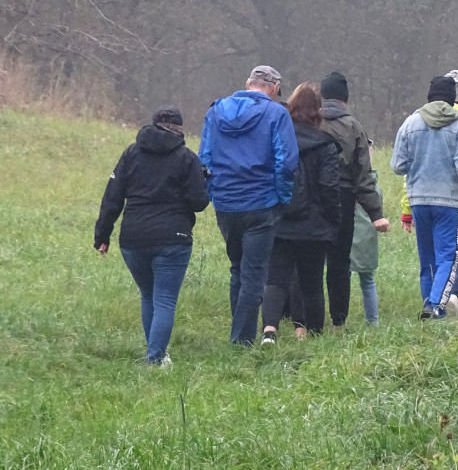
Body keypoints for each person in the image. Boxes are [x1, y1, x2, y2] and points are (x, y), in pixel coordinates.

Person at [94, 106, 210, 365]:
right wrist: (203, 180)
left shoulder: (131, 154)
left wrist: (102, 235)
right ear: (180, 129)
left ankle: (155, 354)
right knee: (165, 299)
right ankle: (155, 359)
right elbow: (199, 202)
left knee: (148, 295)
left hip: (133, 238)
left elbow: (112, 197)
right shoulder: (187, 158)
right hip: (173, 239)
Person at [199, 65, 298, 346]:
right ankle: (242, 340)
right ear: (275, 88)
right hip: (261, 203)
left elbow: (204, 159)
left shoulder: (215, 111)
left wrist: (215, 193)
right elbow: (287, 162)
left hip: (226, 203)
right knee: (254, 272)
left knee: (237, 268)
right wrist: (282, 197)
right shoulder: (277, 113)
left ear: (247, 83)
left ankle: (238, 331)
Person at [400, 69, 458, 316]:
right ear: (453, 99)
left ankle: (428, 302)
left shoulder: (411, 121)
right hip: (449, 201)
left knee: (427, 258)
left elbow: (399, 165)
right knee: (448, 258)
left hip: (419, 200)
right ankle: (435, 306)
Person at [260, 83, 342, 343]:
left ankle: (269, 330)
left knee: (276, 279)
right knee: (312, 282)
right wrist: (334, 219)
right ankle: (313, 335)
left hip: (281, 220)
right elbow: (330, 187)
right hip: (315, 226)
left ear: (291, 109)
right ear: (318, 111)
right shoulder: (326, 145)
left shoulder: (277, 139)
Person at [319, 71, 390, 330]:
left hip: (312, 199)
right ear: (345, 99)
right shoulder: (353, 126)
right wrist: (376, 213)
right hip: (343, 199)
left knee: (310, 261)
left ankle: (305, 322)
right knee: (339, 263)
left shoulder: (309, 121)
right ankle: (338, 322)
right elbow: (363, 175)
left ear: (322, 96)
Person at [351, 141, 383, 326]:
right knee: (368, 280)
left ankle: (340, 318)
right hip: (367, 240)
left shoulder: (347, 185)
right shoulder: (374, 186)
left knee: (341, 278)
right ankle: (373, 321)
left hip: (347, 236)